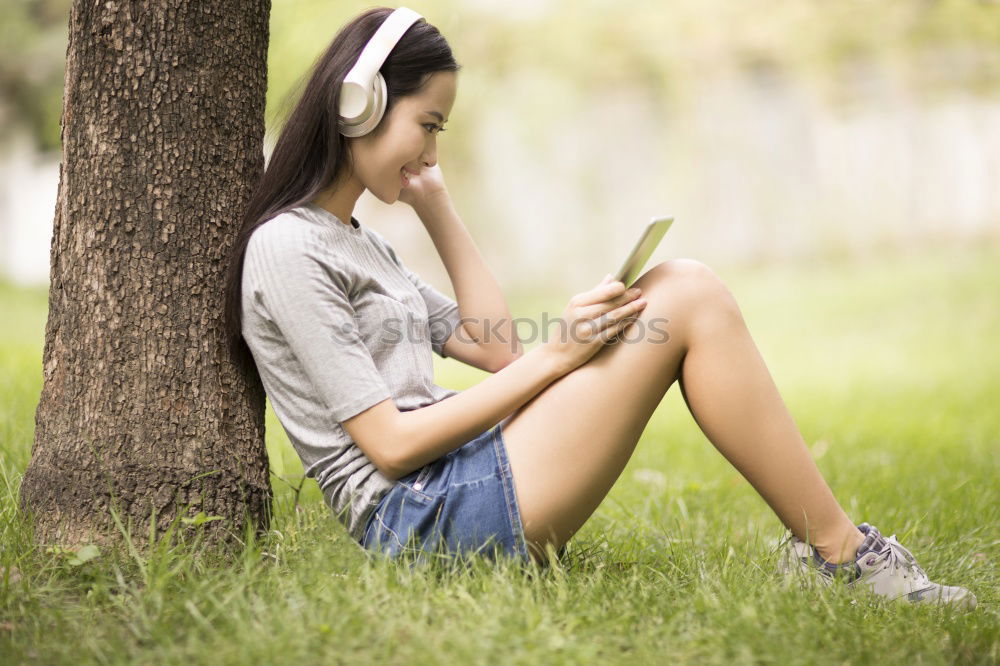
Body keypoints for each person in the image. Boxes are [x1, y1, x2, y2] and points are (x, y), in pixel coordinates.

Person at [223, 7, 975, 609]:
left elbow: (493, 348)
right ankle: (844, 556)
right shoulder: (290, 251)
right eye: (428, 125)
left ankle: (835, 550)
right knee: (686, 293)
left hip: (453, 477)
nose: (431, 151)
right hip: (419, 516)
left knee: (682, 287)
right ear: (361, 104)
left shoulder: (355, 244)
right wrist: (560, 355)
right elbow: (387, 446)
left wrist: (438, 208)